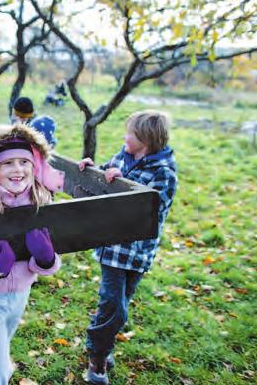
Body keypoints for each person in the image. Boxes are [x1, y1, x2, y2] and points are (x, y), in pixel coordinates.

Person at [0, 123, 65, 385]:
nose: (18, 170)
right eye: (8, 163)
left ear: (34, 166)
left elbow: (53, 258)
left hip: (20, 295)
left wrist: (45, 260)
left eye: (23, 162)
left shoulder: (42, 204)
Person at [78, 110, 178, 385]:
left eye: (130, 133)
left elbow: (149, 213)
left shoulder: (163, 173)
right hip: (113, 249)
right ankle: (97, 357)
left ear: (144, 140)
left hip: (138, 251)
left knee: (120, 303)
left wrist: (122, 184)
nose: (125, 137)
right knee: (114, 306)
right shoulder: (122, 156)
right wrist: (93, 169)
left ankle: (103, 343)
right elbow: (103, 180)